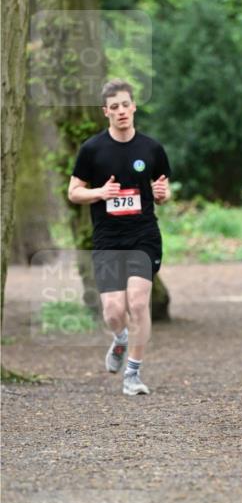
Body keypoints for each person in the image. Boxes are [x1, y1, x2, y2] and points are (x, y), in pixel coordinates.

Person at [67, 78, 171, 396]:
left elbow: (161, 191)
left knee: (138, 303)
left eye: (126, 105)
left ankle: (133, 375)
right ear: (106, 112)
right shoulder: (92, 150)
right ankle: (121, 339)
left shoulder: (151, 148)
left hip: (143, 236)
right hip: (108, 239)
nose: (121, 111)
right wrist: (101, 192)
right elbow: (73, 192)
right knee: (114, 309)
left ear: (134, 106)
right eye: (115, 107)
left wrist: (161, 193)